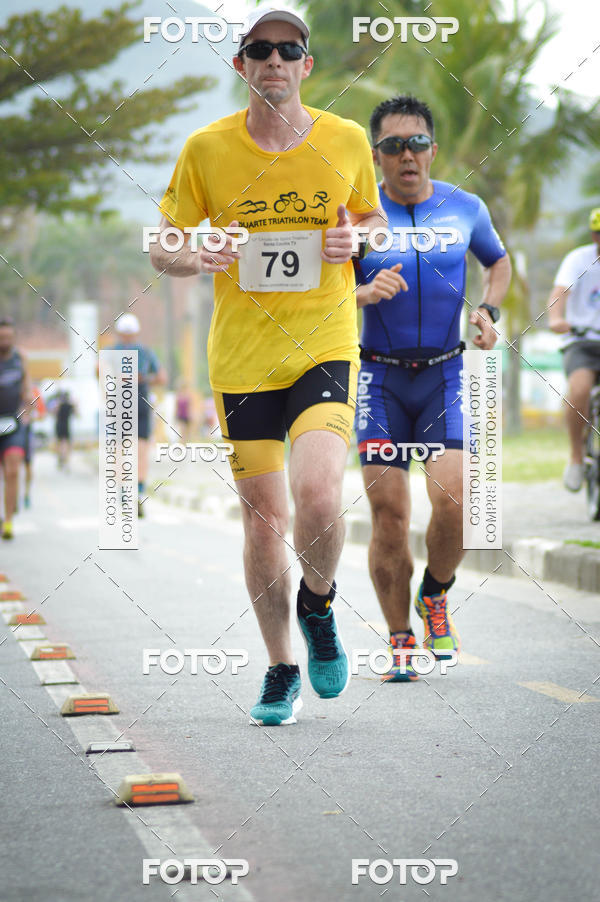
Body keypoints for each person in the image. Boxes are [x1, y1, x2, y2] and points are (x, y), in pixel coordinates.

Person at [149, 4, 386, 725]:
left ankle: (319, 605)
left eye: (289, 50)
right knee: (262, 521)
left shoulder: (345, 140)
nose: (275, 61)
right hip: (243, 360)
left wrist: (357, 244)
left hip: (323, 343)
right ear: (241, 65)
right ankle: (282, 664)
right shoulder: (205, 149)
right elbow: (162, 245)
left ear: (306, 66)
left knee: (318, 495)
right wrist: (199, 254)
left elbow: (371, 219)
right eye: (260, 49)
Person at [354, 95, 511, 681]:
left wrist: (490, 310)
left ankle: (435, 593)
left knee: (456, 500)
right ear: (377, 156)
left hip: (446, 372)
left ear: (433, 149)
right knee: (389, 514)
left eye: (416, 142)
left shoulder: (464, 207)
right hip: (380, 378)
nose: (407, 155)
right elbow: (325, 291)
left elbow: (498, 262)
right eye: (393, 146)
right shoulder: (359, 217)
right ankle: (399, 638)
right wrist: (363, 294)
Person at [547, 208, 600, 492]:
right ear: (594, 235)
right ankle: (577, 457)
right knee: (579, 389)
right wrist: (557, 319)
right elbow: (558, 295)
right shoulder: (578, 259)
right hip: (582, 341)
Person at [110, 313, 167, 517]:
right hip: (137, 401)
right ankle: (137, 492)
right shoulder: (145, 352)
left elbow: (99, 372)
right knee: (137, 451)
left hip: (122, 403)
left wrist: (124, 379)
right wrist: (141, 379)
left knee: (122, 451)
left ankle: (127, 492)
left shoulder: (112, 351)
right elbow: (161, 377)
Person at [0, 318, 32, 540]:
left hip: (14, 422)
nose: (5, 341)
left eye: (9, 337)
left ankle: (8, 521)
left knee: (12, 470)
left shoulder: (20, 358)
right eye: (2, 338)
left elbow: (27, 388)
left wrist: (28, 407)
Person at [23, 385, 46, 506]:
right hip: (9, 431)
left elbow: (42, 415)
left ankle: (26, 494)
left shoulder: (34, 391)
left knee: (28, 465)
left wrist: (30, 415)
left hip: (26, 432)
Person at [54, 390, 76, 469]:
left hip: (60, 425)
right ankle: (65, 459)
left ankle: (61, 459)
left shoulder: (59, 405)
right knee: (65, 443)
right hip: (66, 425)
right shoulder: (69, 405)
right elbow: (76, 414)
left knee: (60, 443)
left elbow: (54, 413)